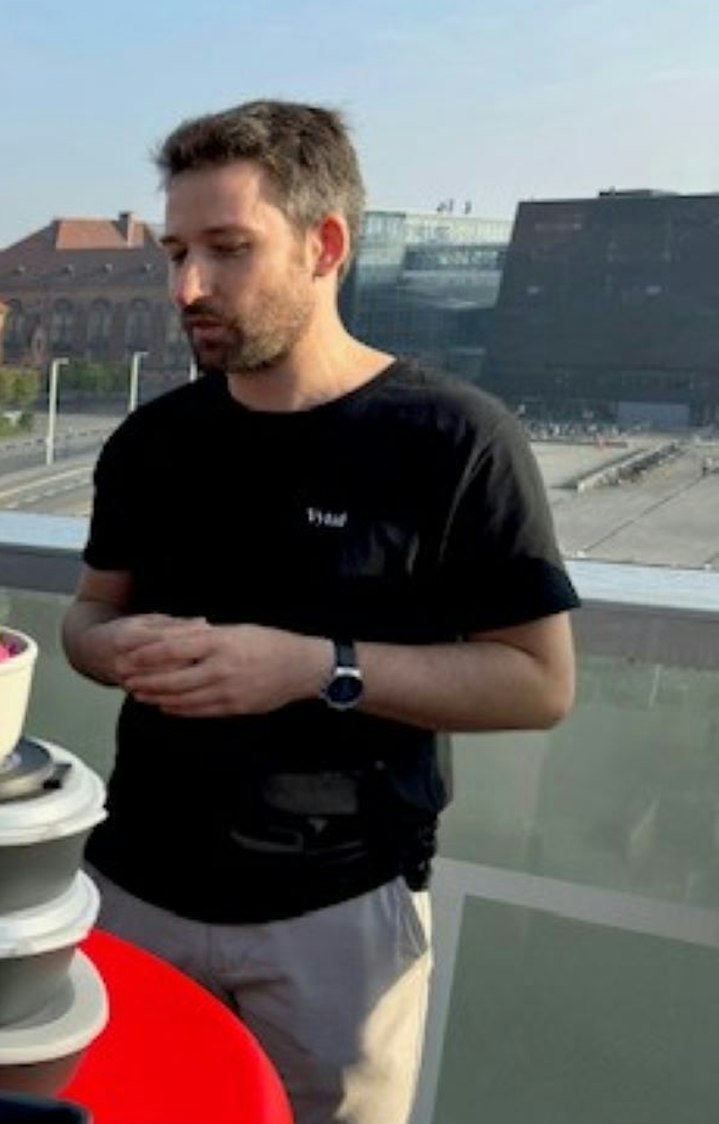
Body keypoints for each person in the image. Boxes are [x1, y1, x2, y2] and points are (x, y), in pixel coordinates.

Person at [60, 101, 578, 1124]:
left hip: (336, 918)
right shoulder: (152, 441)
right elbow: (84, 620)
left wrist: (314, 666)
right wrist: (112, 648)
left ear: (325, 244)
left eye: (226, 249)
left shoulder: (453, 438)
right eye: (174, 251)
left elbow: (539, 679)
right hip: (131, 895)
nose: (186, 287)